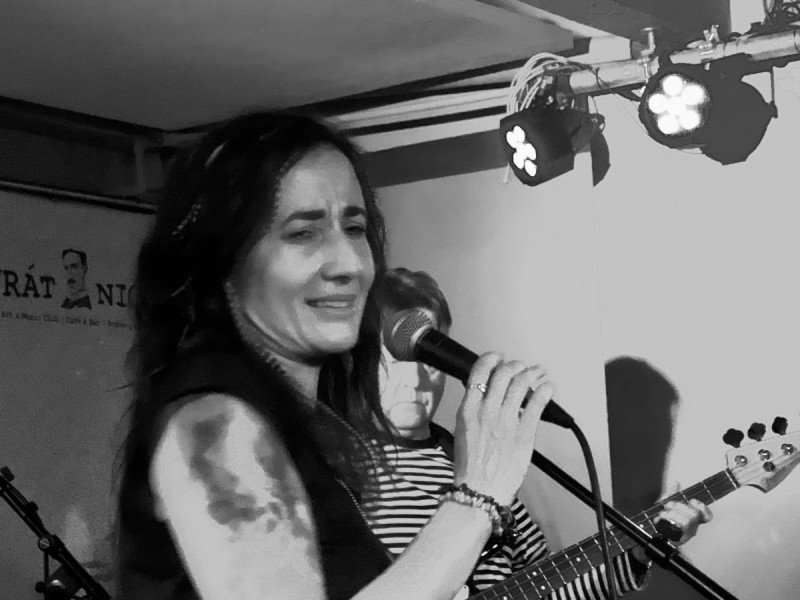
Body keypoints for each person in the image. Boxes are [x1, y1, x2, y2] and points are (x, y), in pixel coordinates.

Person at [114, 110, 558, 600]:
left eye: (354, 227)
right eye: (303, 234)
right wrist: (475, 499)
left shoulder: (302, 426)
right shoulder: (218, 424)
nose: (348, 264)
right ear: (223, 260)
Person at [370, 267, 713, 599]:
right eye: (393, 361)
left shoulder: (478, 464)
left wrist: (638, 554)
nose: (415, 379)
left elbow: (544, 590)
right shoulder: (345, 477)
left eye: (428, 361)